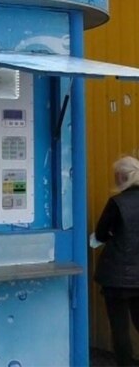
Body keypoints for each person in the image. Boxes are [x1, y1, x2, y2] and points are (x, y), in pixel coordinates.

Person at [96, 156, 139, 366]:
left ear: (121, 177)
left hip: (117, 277)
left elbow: (101, 234)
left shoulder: (117, 203)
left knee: (120, 328)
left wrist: (114, 233)